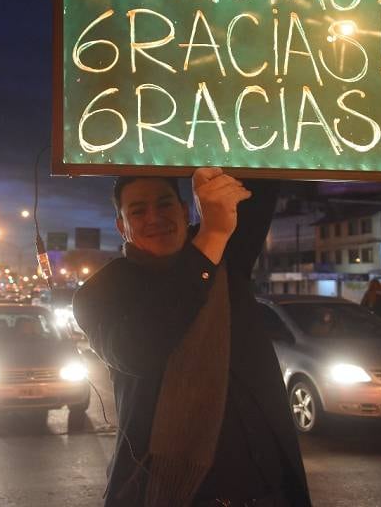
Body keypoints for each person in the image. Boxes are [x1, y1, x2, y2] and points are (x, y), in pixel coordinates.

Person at [74, 168, 311, 507]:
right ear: (121, 226)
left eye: (165, 204)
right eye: (138, 211)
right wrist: (211, 237)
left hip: (269, 487)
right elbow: (137, 351)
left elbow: (262, 171)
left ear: (185, 210)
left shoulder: (227, 251)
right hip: (170, 493)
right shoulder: (99, 292)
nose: (154, 217)